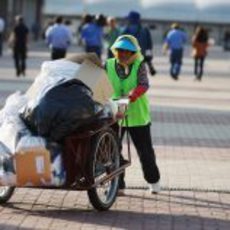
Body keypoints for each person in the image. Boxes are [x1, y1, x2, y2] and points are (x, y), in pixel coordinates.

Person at [105, 35, 161, 194]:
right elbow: (100, 83)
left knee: (145, 152)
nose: (122, 54)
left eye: (127, 51)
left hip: (137, 115)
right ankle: (117, 184)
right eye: (120, 50)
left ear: (133, 53)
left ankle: (153, 181)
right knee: (111, 150)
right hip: (115, 113)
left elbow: (144, 84)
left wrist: (132, 95)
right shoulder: (108, 64)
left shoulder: (139, 65)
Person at [122, 11, 156, 76]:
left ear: (131, 20)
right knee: (140, 75)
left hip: (129, 56)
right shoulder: (145, 30)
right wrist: (149, 57)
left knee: (130, 74)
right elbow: (149, 45)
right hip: (141, 56)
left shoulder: (127, 30)